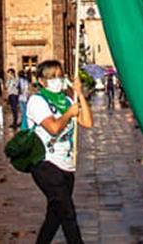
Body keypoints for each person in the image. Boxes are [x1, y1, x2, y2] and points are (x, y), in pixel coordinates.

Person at [26, 59, 94, 244]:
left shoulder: (66, 100)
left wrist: (78, 95)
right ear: (41, 80)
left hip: (66, 165)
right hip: (45, 164)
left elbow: (87, 122)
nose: (57, 80)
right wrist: (68, 114)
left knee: (55, 215)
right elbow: (53, 128)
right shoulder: (37, 101)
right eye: (52, 77)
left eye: (59, 76)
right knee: (68, 213)